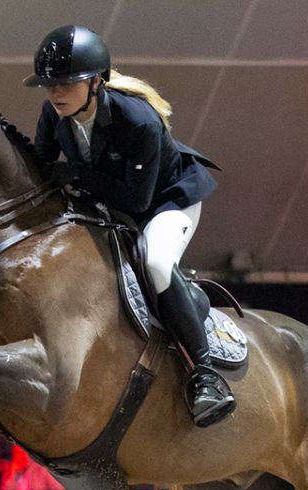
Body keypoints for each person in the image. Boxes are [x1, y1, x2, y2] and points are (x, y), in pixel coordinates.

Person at [27, 25, 227, 426]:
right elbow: (40, 168)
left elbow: (136, 201)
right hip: (113, 202)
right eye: (49, 85)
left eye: (66, 83)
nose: (55, 93)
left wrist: (74, 175)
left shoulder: (138, 121)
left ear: (96, 81)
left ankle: (206, 374)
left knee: (154, 264)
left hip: (168, 201)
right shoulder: (55, 113)